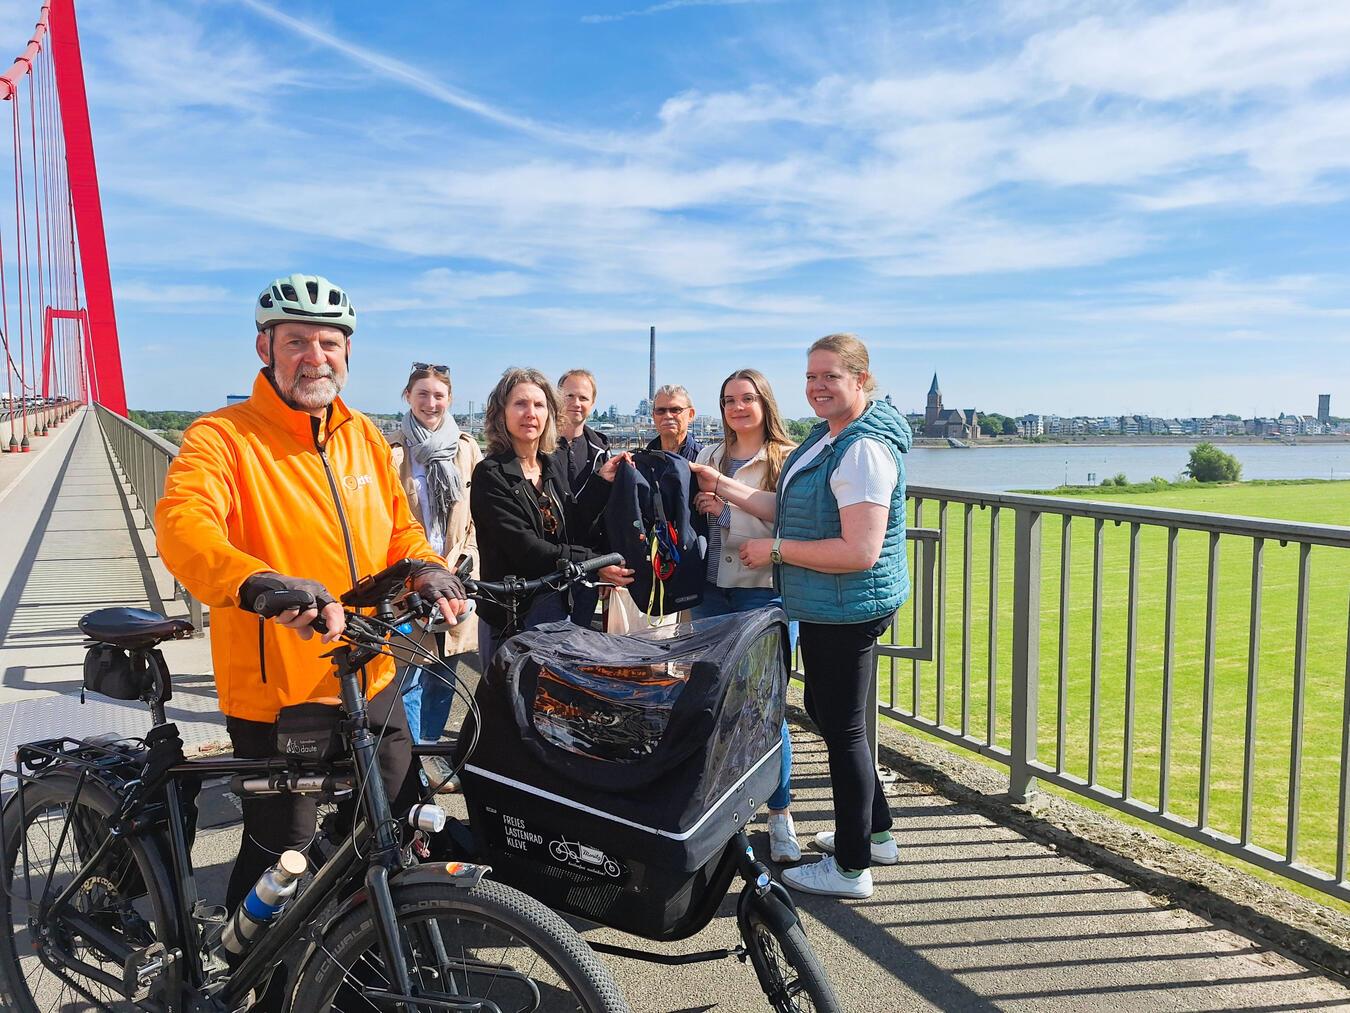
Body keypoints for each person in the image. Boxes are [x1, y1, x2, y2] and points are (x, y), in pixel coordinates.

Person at [156, 274, 470, 927]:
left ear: (348, 354)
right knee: (282, 850)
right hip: (280, 691)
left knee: (384, 831)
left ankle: (356, 963)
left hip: (371, 673)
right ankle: (247, 977)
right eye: (296, 340)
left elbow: (399, 528)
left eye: (329, 342)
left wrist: (425, 567)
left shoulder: (363, 438)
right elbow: (185, 526)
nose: (314, 356)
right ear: (264, 347)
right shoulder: (223, 437)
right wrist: (255, 581)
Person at [690, 333, 911, 899]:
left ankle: (850, 868)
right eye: (811, 377)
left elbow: (858, 550)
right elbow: (780, 506)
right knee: (837, 720)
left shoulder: (862, 451)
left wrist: (776, 551)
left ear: (861, 381)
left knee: (843, 732)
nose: (817, 387)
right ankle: (876, 835)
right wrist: (722, 485)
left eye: (830, 377)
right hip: (826, 604)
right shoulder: (830, 439)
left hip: (845, 607)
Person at [691, 368, 801, 863]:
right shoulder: (710, 454)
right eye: (729, 400)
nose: (738, 408)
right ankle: (721, 812)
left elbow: (793, 518)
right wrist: (703, 504)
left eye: (747, 399)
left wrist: (726, 499)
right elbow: (697, 517)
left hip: (763, 593)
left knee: (765, 706)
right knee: (715, 705)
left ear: (765, 404)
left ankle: (780, 815)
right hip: (713, 589)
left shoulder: (786, 457)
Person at [471, 367, 634, 665]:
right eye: (520, 404)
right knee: (510, 705)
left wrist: (601, 482)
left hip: (555, 605)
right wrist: (594, 565)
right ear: (501, 413)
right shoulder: (491, 473)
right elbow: (527, 549)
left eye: (538, 405)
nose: (530, 413)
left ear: (549, 414)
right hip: (512, 616)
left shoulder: (549, 466)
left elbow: (571, 524)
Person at [388, 362, 482, 792]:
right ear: (407, 397)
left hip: (456, 576)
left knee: (446, 673)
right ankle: (409, 764)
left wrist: (468, 559)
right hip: (409, 579)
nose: (431, 402)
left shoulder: (465, 448)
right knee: (408, 674)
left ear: (450, 399)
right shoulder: (391, 452)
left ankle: (431, 758)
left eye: (438, 395)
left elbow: (478, 515)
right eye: (422, 394)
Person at [553, 368, 611, 628]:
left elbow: (609, 514)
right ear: (557, 398)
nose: (576, 403)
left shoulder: (601, 451)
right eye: (569, 396)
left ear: (593, 403)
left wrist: (605, 562)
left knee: (579, 642)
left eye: (583, 398)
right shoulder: (538, 448)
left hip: (587, 568)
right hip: (548, 568)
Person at [646, 383, 703, 462]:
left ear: (690, 415)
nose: (667, 416)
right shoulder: (640, 461)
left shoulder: (706, 460)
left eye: (675, 410)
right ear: (653, 416)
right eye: (660, 411)